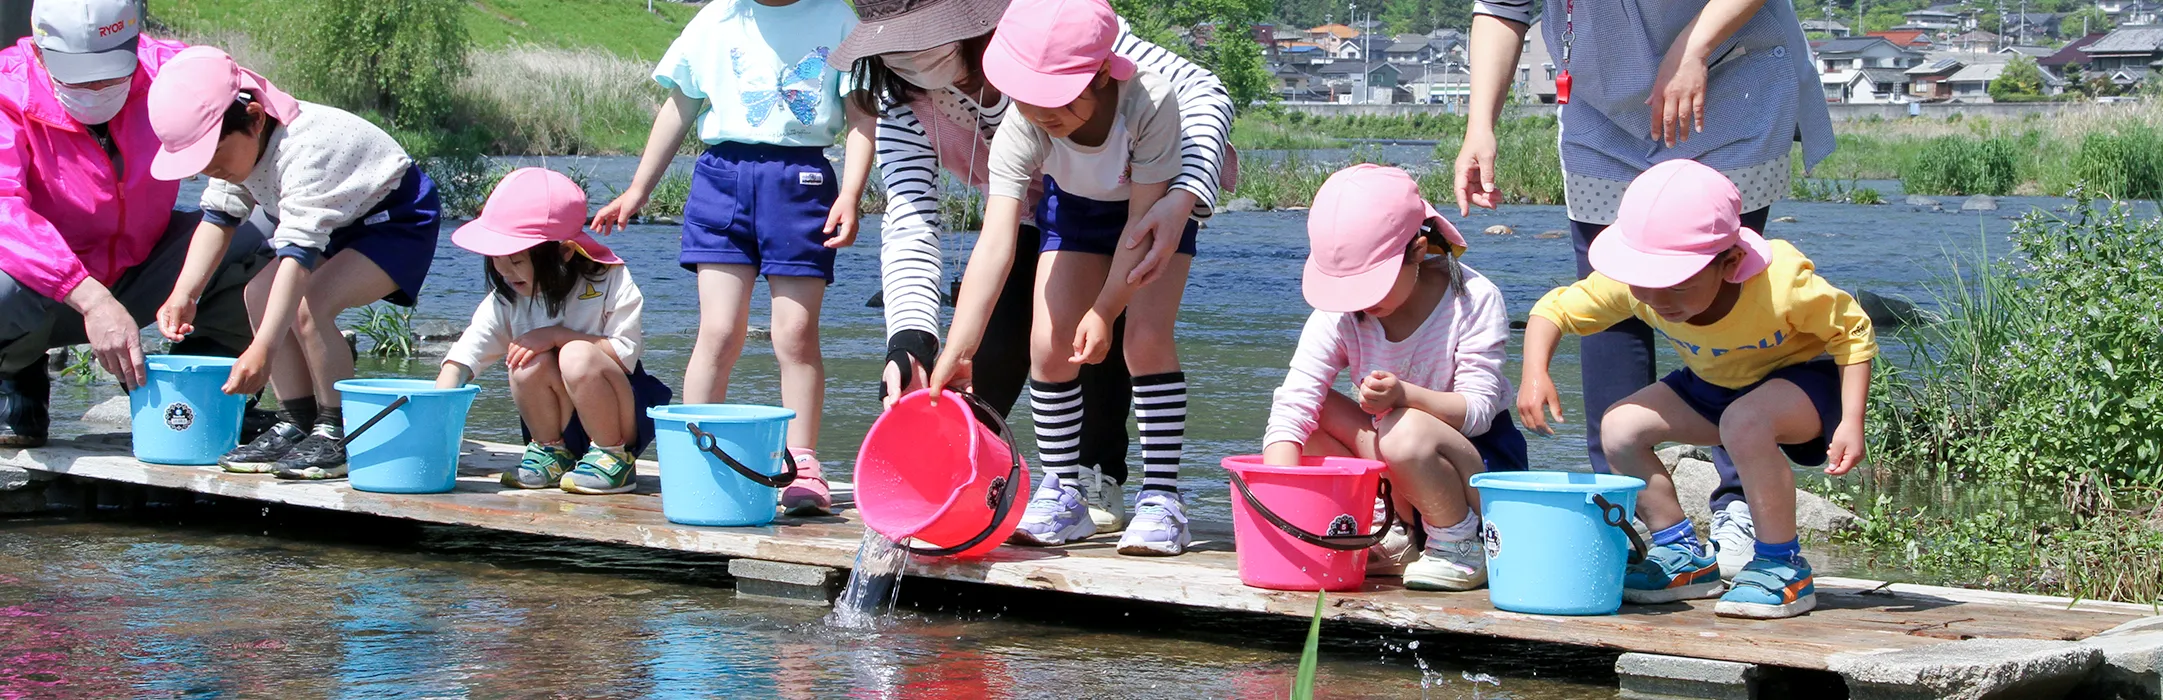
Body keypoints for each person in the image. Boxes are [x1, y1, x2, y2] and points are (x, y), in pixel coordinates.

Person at [1459, 0, 1837, 578]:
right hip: (1601, 103)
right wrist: (1479, 123)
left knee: (1723, 298)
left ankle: (1739, 505)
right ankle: (1631, 514)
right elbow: (1502, 9)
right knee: (1614, 304)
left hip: (1727, 74)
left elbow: (1849, 335)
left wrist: (1693, 48)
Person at [832, 0, 1234, 535]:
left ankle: (1124, 482)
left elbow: (1204, 92)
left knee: (1124, 334)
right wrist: (920, 341)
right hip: (1053, 211)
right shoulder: (930, 103)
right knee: (1027, 349)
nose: (908, 60)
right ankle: (1048, 486)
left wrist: (1183, 195)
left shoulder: (1058, 32)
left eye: (921, 44)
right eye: (895, 50)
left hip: (1147, 203)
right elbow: (931, 224)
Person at [1517, 160, 1875, 619]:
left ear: (1729, 263)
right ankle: (1682, 554)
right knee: (1620, 428)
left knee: (1744, 422)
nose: (1658, 300)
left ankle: (1782, 564)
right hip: (1715, 383)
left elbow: (1853, 332)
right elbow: (1554, 311)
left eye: (1676, 287)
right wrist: (1534, 373)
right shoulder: (1639, 285)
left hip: (1803, 382)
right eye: (1644, 284)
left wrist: (1851, 420)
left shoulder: (1781, 283)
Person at [924, 0, 1192, 556]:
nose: (1040, 110)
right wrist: (958, 344)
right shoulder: (1022, 122)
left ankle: (1163, 498)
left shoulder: (1151, 101)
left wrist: (1105, 309)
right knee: (1048, 345)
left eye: (1055, 97)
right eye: (1026, 94)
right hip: (1074, 215)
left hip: (1151, 219)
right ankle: (1062, 490)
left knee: (1142, 340)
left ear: (1098, 73)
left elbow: (1140, 228)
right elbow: (995, 242)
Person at [592, 0, 872, 514]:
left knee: (794, 333)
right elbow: (680, 105)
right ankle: (695, 451)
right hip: (721, 179)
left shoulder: (838, 18)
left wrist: (851, 195)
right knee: (719, 331)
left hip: (802, 183)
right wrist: (637, 190)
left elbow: (860, 118)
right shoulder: (717, 16)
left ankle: (802, 463)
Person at [149, 47, 441, 480]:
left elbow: (298, 256)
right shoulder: (239, 144)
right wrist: (184, 293)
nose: (208, 169)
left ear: (254, 118)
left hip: (395, 221)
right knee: (257, 293)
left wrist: (262, 351)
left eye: (212, 157)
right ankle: (297, 420)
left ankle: (335, 430)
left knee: (311, 305)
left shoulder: (307, 149)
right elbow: (219, 218)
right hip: (339, 219)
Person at [0, 0, 269, 446]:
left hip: (143, 266)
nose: (97, 85)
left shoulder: (174, 69)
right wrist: (89, 299)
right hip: (44, 292)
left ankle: (201, 390)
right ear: (42, 52)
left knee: (263, 238)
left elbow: (270, 129)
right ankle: (15, 377)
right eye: (78, 73)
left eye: (111, 70)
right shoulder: (6, 91)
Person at [1263, 164, 1528, 592]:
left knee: (1402, 428)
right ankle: (1389, 533)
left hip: (1476, 480)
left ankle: (1458, 545)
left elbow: (1479, 413)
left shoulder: (1474, 300)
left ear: (1419, 250)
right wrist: (1280, 508)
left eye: (1372, 284)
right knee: (1308, 417)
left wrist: (1405, 395)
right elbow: (1295, 401)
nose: (1360, 301)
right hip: (1398, 469)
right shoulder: (1342, 311)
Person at [435, 168, 671, 495]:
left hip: (617, 416)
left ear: (564, 252)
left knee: (575, 355)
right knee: (525, 360)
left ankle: (612, 459)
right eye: (497, 261)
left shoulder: (609, 281)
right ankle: (551, 452)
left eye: (516, 260)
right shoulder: (508, 296)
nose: (504, 272)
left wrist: (557, 336)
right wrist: (433, 414)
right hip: (555, 421)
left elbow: (624, 353)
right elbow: (464, 357)